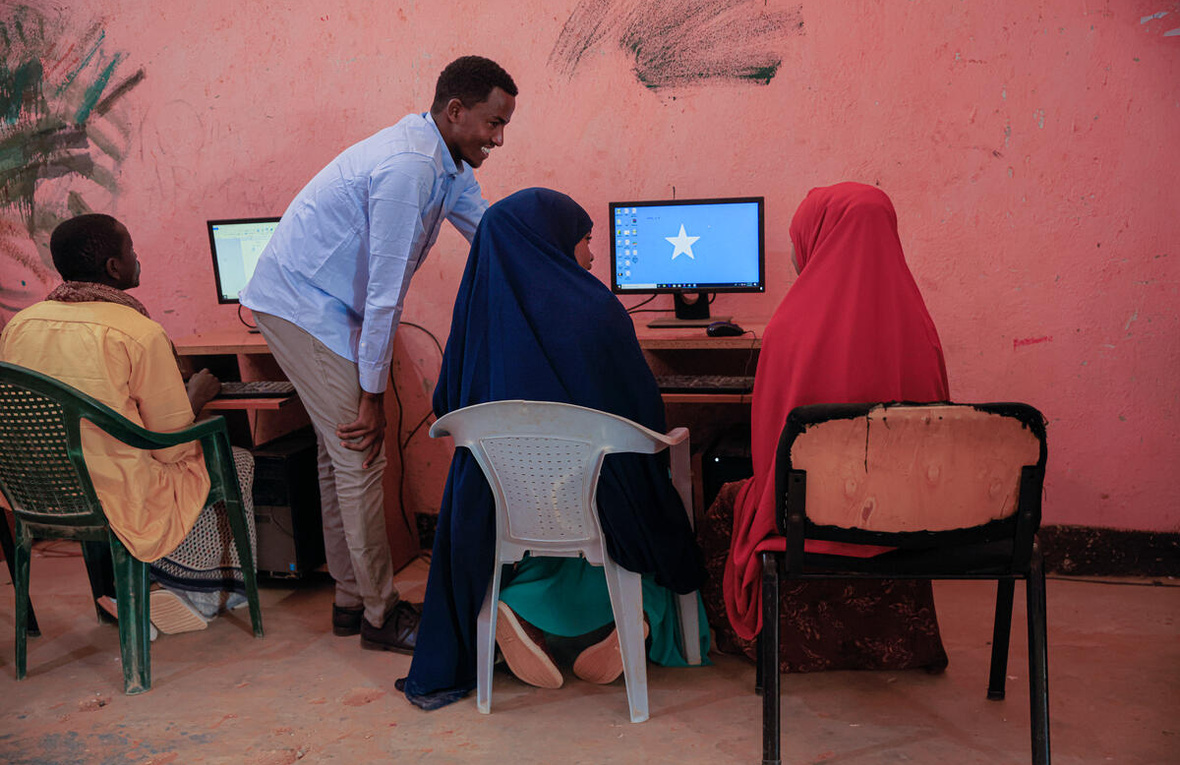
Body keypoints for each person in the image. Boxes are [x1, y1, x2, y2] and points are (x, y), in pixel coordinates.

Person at [238, 56, 518, 653]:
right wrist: (372, 399)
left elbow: (493, 233)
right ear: (454, 111)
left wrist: (558, 255)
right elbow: (386, 294)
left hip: (337, 305)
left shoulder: (450, 163)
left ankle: (348, 598)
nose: (498, 139)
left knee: (335, 452)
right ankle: (378, 614)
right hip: (302, 302)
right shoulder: (409, 168)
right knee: (360, 450)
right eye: (492, 124)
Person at [400, 188, 708, 709]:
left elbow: (446, 402)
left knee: (554, 521)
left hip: (497, 508)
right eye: (585, 240)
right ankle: (642, 614)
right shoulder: (597, 312)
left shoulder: (474, 323)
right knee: (645, 506)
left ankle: (517, 613)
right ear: (551, 244)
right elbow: (643, 416)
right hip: (597, 501)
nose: (591, 255)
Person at [700, 182, 951, 672]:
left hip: (807, 518)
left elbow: (770, 450)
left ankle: (776, 641)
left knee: (727, 501)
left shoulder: (790, 328)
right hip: (909, 518)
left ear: (817, 237)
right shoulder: (920, 327)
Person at [0, 213, 256, 635]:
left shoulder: (21, 326)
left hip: (38, 494)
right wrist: (196, 396)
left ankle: (138, 589)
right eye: (131, 249)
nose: (137, 258)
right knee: (235, 460)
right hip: (116, 497)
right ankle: (196, 592)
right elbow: (171, 445)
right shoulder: (137, 332)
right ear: (114, 268)